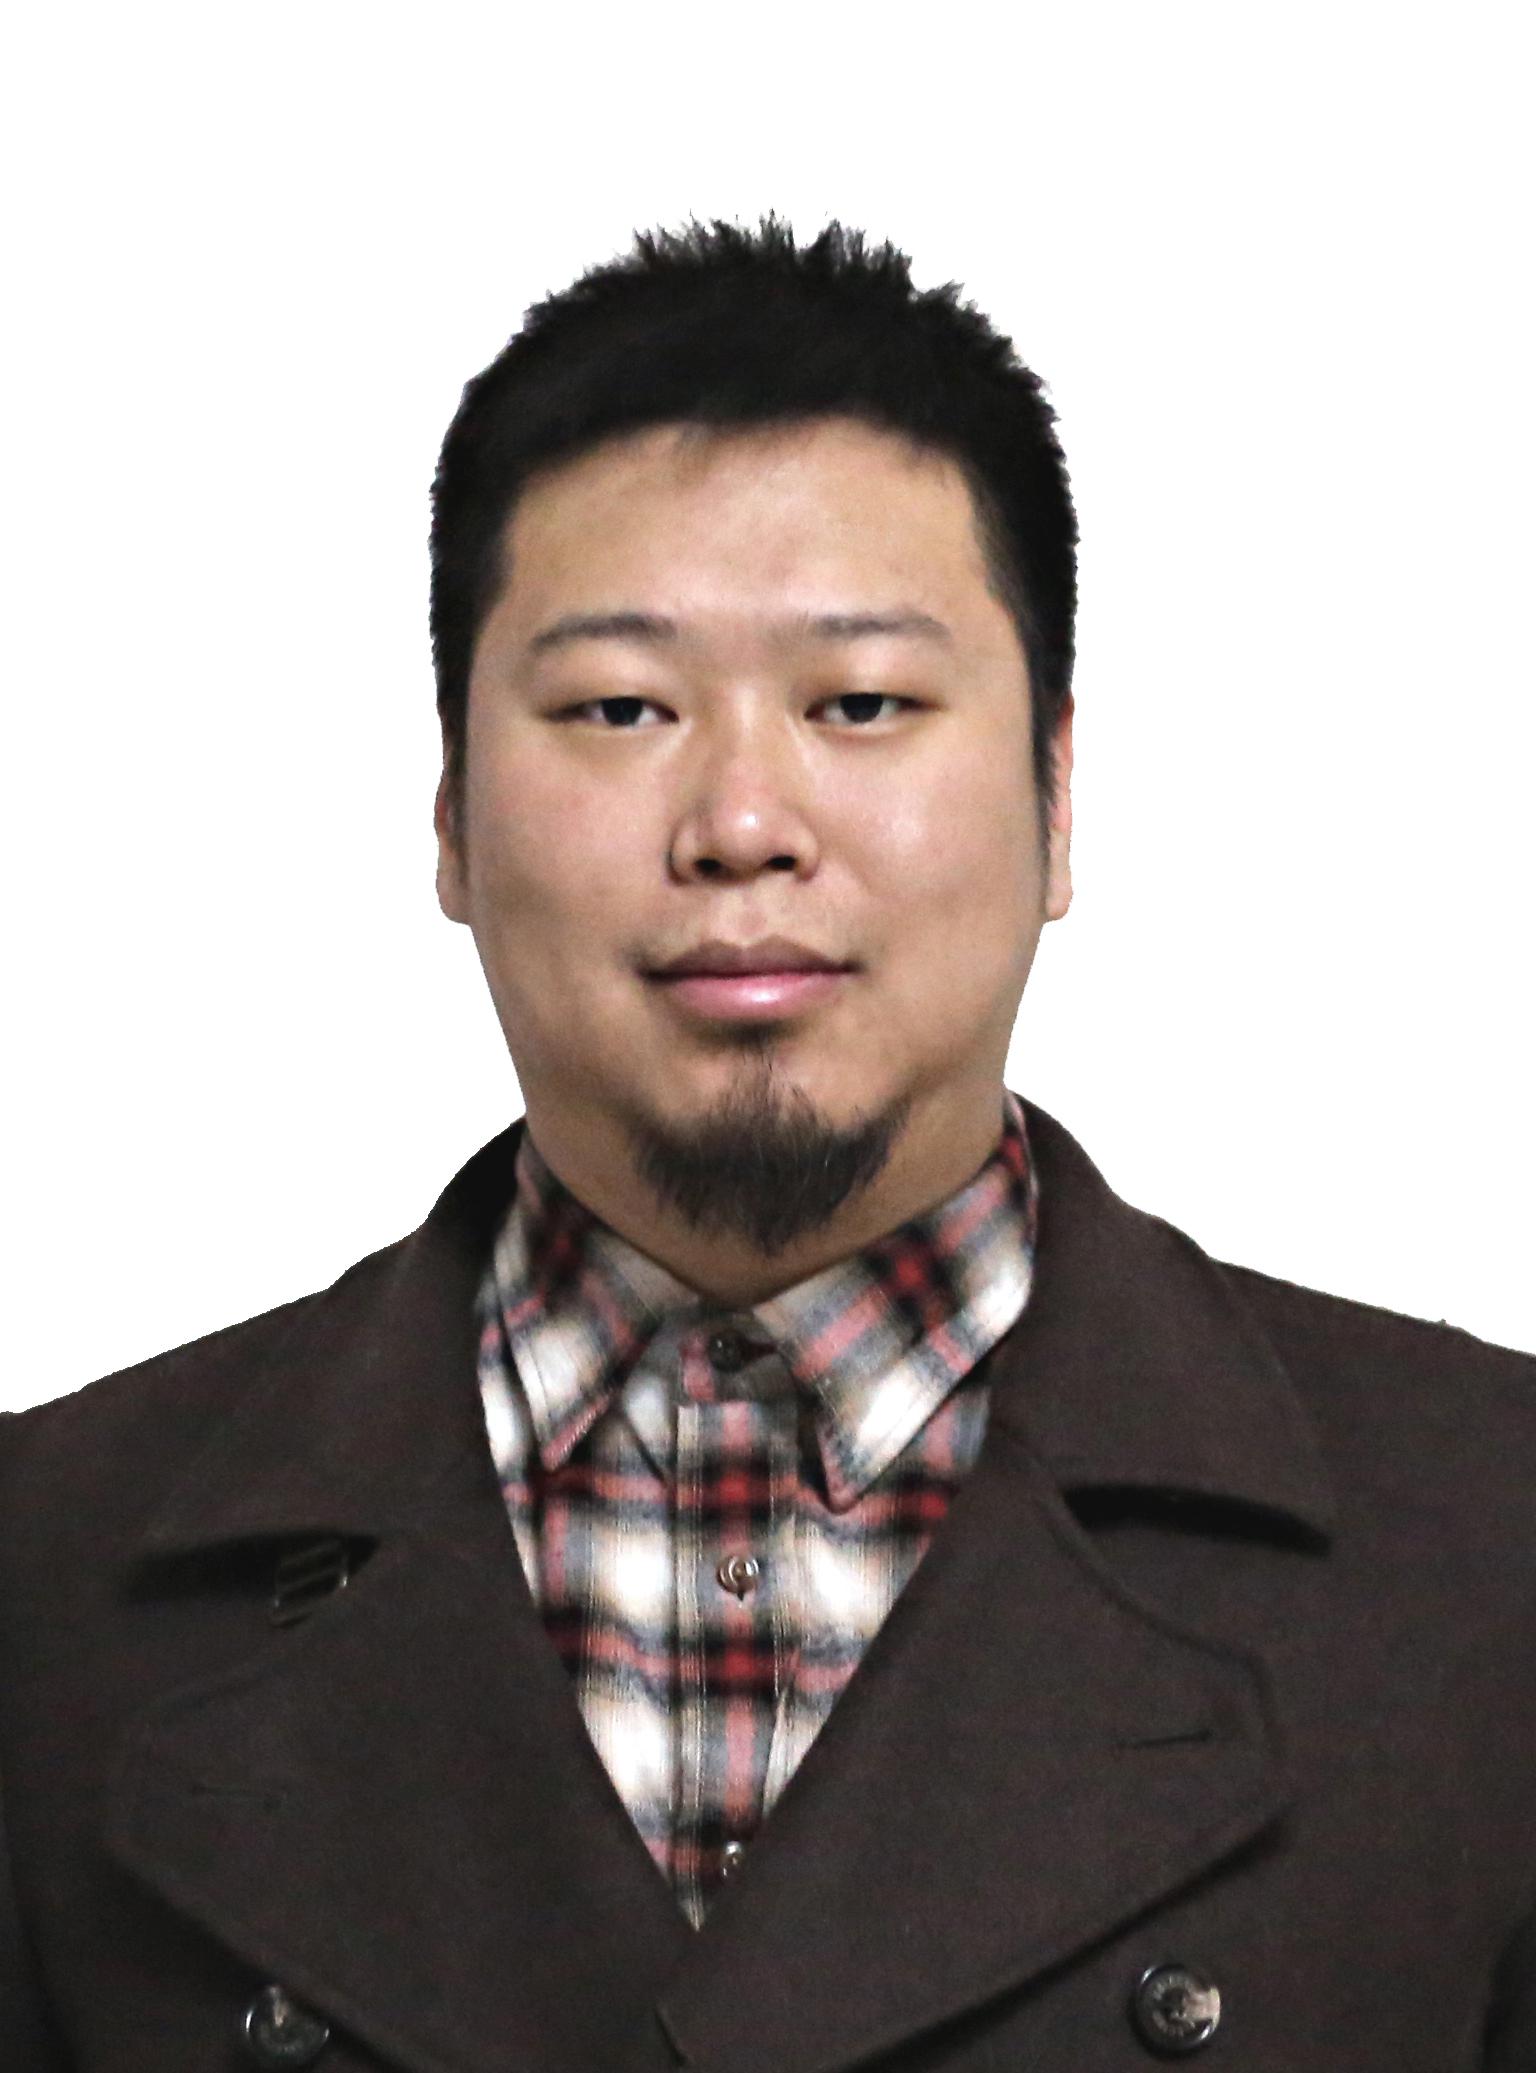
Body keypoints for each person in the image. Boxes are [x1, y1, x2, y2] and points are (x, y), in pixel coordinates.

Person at [1, 214, 1532, 2073]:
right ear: (451, 815)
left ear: (1057, 797)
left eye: (861, 702)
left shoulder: (1490, 1539)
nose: (741, 821)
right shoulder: (48, 1575)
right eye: (619, 708)